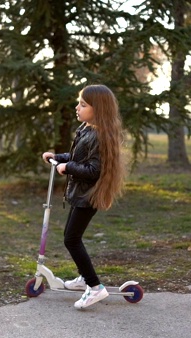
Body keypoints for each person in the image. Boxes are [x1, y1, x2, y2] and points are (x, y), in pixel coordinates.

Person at [42, 84, 126, 309]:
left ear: (97, 108)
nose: (77, 107)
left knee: (71, 239)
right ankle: (83, 279)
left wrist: (67, 167)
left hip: (89, 195)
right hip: (80, 194)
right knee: (71, 238)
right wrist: (58, 157)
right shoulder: (87, 128)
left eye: (83, 104)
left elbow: (93, 170)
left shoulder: (100, 135)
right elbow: (78, 155)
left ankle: (95, 287)